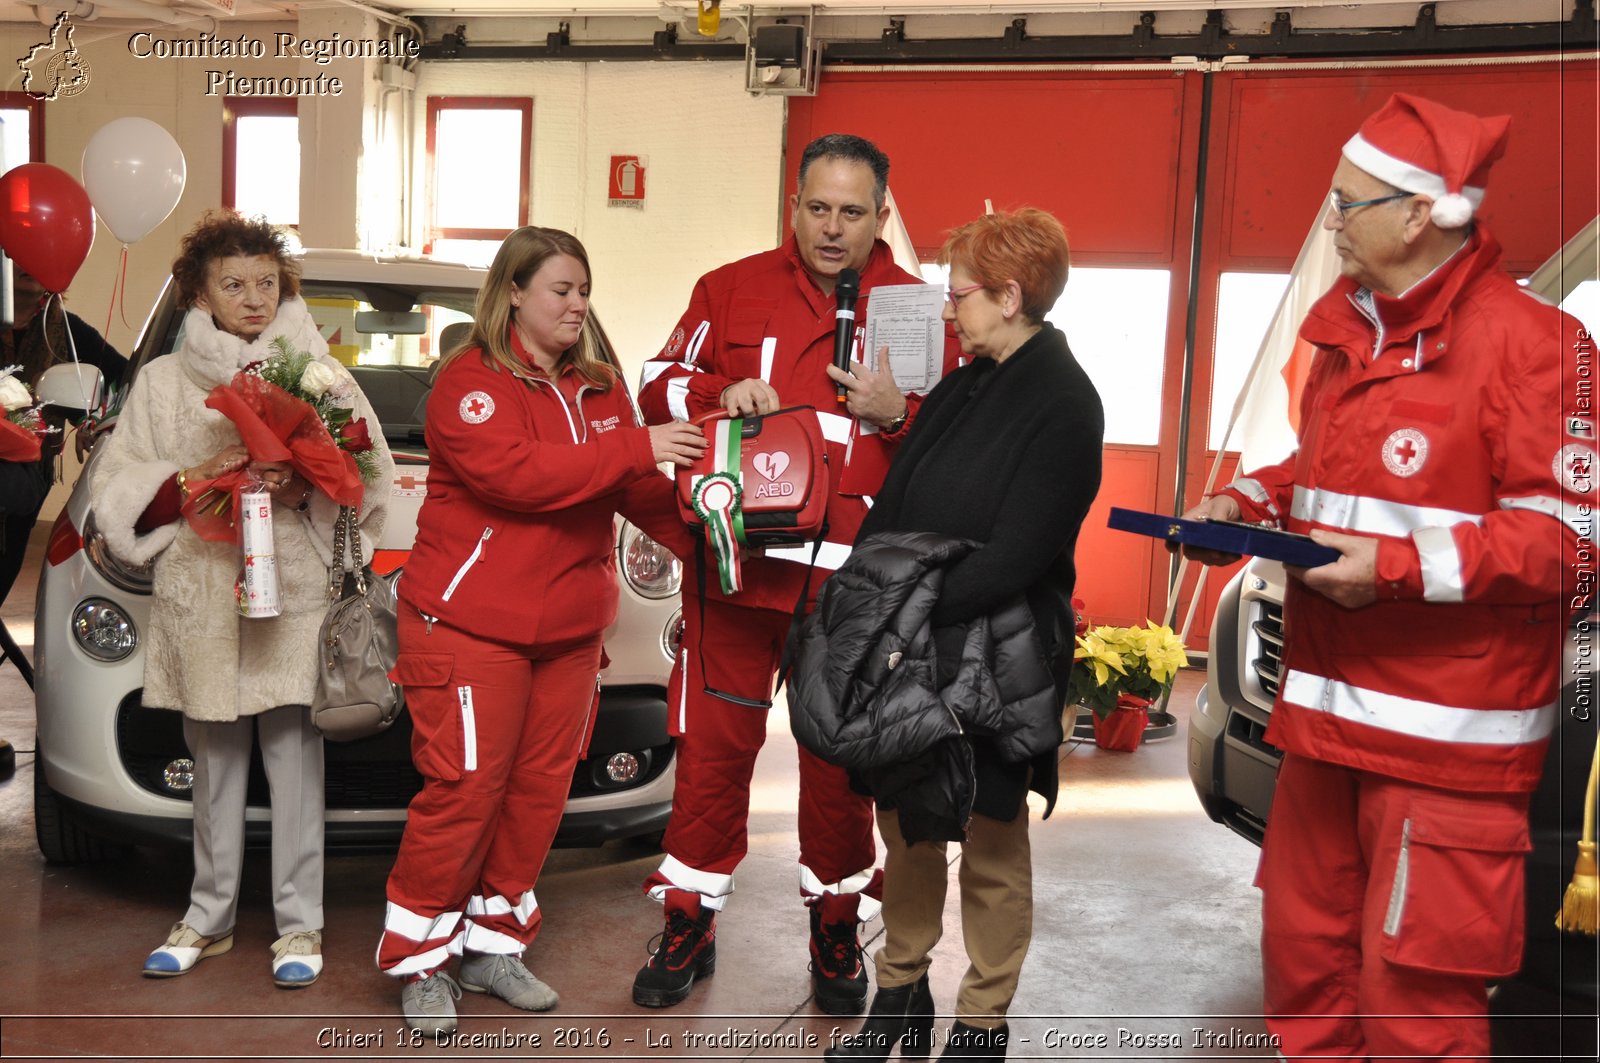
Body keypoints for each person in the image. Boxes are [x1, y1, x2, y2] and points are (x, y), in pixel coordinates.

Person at [1179, 94, 1584, 1061]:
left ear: (1420, 214)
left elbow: (1567, 540)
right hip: (1323, 731)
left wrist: (1396, 572)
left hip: (1444, 746)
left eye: (1347, 206)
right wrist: (1245, 508)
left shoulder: (1540, 349)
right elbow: (1322, 479)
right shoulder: (1351, 335)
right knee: (1308, 974)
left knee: (1416, 1010)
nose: (1330, 224)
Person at [633, 133, 962, 1014]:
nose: (831, 227)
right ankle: (689, 915)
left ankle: (835, 920)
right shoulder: (729, 286)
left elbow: (962, 442)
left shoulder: (920, 309)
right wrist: (715, 397)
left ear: (880, 214)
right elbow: (656, 382)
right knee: (713, 753)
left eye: (852, 211)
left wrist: (903, 414)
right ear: (794, 205)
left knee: (839, 768)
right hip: (738, 575)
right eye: (817, 207)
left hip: (853, 591)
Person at [375, 226, 704, 1035]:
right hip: (467, 628)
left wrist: (709, 544)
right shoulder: (469, 384)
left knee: (537, 794)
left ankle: (494, 942)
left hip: (566, 632)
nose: (577, 304)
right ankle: (420, 960)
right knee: (464, 791)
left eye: (584, 290)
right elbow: (521, 478)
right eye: (561, 289)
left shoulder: (597, 387)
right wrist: (638, 444)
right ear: (514, 292)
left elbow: (635, 490)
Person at [804, 208, 1103, 1062]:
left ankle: (982, 1020)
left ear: (1010, 296)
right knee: (911, 826)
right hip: (923, 647)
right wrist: (865, 597)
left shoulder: (1065, 400)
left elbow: (1020, 552)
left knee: (994, 838)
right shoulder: (971, 380)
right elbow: (901, 501)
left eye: (961, 291)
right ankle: (898, 998)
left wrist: (908, 608)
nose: (949, 307)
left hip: (1001, 656)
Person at [91, 210, 394, 987]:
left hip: (293, 596)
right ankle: (207, 915)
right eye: (233, 284)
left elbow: (376, 479)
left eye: (267, 282)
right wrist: (200, 480)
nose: (253, 299)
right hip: (204, 595)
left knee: (296, 762)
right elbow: (116, 491)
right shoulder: (162, 383)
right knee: (215, 761)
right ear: (201, 291)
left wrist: (303, 481)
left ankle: (300, 926)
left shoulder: (320, 375)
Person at [0, 268, 127, 609]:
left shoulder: (68, 330)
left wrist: (93, 420)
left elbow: (124, 378)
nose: (30, 265)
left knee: (6, 558)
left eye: (38, 256)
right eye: (18, 254)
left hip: (28, 469)